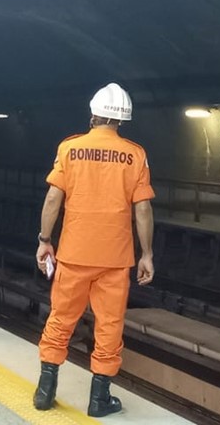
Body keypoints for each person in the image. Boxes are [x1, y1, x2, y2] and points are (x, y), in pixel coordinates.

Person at [32, 83, 155, 418]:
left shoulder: (70, 149)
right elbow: (142, 210)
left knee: (61, 319)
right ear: (122, 121)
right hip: (115, 260)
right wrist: (147, 254)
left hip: (73, 254)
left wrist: (45, 240)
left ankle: (45, 391)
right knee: (109, 325)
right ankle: (99, 400)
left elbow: (54, 198)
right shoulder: (135, 154)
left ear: (93, 114)